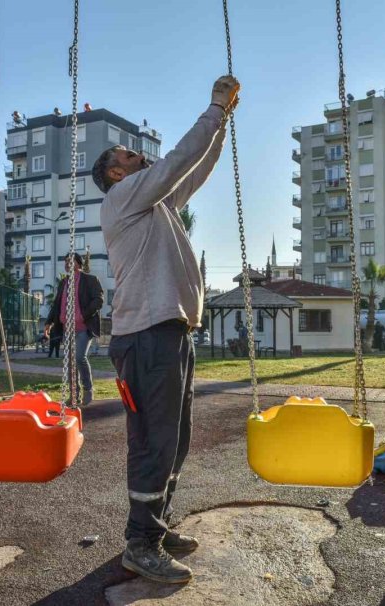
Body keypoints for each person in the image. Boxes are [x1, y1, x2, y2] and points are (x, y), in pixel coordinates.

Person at [95, 75, 240, 584]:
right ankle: (140, 543)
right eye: (129, 156)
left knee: (175, 440)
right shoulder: (122, 200)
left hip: (170, 332)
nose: (139, 156)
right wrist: (214, 108)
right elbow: (178, 159)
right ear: (117, 174)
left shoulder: (155, 207)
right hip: (146, 336)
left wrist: (223, 122)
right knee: (155, 441)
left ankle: (155, 526)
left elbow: (193, 169)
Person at [44, 252, 104, 404]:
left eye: (70, 261)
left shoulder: (90, 280)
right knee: (70, 361)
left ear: (78, 263)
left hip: (84, 327)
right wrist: (49, 322)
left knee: (79, 357)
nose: (67, 264)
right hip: (67, 329)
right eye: (65, 262)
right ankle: (74, 394)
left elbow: (99, 300)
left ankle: (88, 388)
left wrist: (83, 315)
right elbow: (57, 304)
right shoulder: (64, 282)